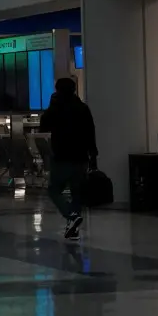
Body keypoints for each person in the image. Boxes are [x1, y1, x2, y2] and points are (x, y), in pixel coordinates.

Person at [40, 77, 98, 239]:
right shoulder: (83, 108)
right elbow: (90, 132)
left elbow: (43, 126)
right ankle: (72, 228)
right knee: (76, 193)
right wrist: (93, 155)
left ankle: (70, 216)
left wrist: (51, 106)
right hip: (81, 157)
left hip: (62, 156)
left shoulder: (56, 109)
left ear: (58, 90)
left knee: (54, 189)